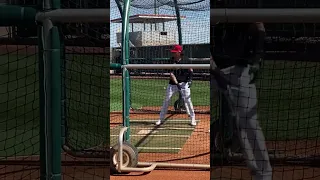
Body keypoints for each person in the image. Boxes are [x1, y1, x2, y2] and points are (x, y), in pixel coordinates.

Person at [211, 22, 273, 180]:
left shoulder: (243, 7)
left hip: (239, 69)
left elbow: (258, 26)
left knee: (249, 123)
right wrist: (214, 69)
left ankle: (263, 175)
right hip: (212, 69)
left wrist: (257, 56)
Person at [155, 45, 196, 126]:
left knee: (188, 101)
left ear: (179, 52)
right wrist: (177, 84)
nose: (173, 53)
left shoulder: (186, 60)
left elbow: (191, 70)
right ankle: (160, 119)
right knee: (166, 101)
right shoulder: (171, 61)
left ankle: (192, 119)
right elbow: (171, 74)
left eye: (174, 52)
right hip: (173, 84)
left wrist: (190, 79)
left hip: (184, 84)